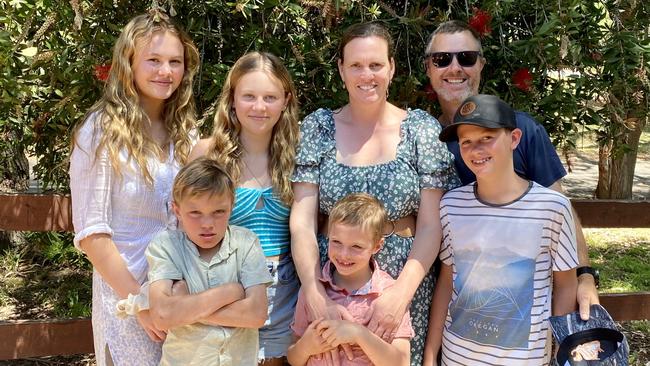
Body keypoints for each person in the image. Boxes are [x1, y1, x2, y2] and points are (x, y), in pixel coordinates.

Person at [290, 22, 459, 365]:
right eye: (355, 65)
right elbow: (302, 219)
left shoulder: (420, 130)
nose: (366, 74)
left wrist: (400, 294)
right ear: (341, 70)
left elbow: (431, 224)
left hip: (404, 277)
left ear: (392, 68)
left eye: (376, 65)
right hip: (332, 278)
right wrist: (313, 290)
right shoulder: (318, 128)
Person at [423, 20, 599, 320]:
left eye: (466, 57)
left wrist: (583, 275)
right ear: (429, 69)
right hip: (448, 307)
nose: (455, 68)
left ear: (480, 64)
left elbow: (562, 212)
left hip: (518, 310)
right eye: (442, 59)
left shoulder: (523, 130)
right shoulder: (422, 137)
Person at [69, 11, 199, 365]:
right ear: (129, 62)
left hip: (182, 297)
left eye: (175, 61)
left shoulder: (186, 134)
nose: (165, 71)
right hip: (127, 304)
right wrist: (139, 303)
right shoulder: (100, 131)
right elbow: (93, 234)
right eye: (153, 60)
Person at [425, 94, 579, 365]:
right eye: (466, 142)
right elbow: (447, 281)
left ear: (515, 138)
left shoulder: (553, 207)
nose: (476, 150)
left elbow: (566, 285)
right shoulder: (451, 204)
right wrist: (430, 354)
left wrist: (560, 354)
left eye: (487, 138)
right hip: (457, 356)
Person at [189, 51, 300, 365]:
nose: (260, 107)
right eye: (249, 96)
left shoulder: (297, 156)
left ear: (285, 100)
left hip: (281, 292)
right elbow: (184, 228)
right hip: (223, 288)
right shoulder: (208, 153)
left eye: (270, 97)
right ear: (232, 99)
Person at [147, 157, 272, 365]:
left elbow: (257, 314)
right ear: (177, 210)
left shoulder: (246, 242)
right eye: (195, 212)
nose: (207, 224)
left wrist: (184, 307)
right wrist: (231, 291)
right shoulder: (166, 246)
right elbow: (161, 316)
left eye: (218, 212)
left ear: (231, 206)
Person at [288, 193, 413, 366]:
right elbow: (293, 358)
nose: (343, 254)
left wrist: (358, 334)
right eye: (336, 242)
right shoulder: (313, 291)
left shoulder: (388, 295)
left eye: (356, 246)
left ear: (377, 246)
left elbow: (402, 362)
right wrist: (306, 347)